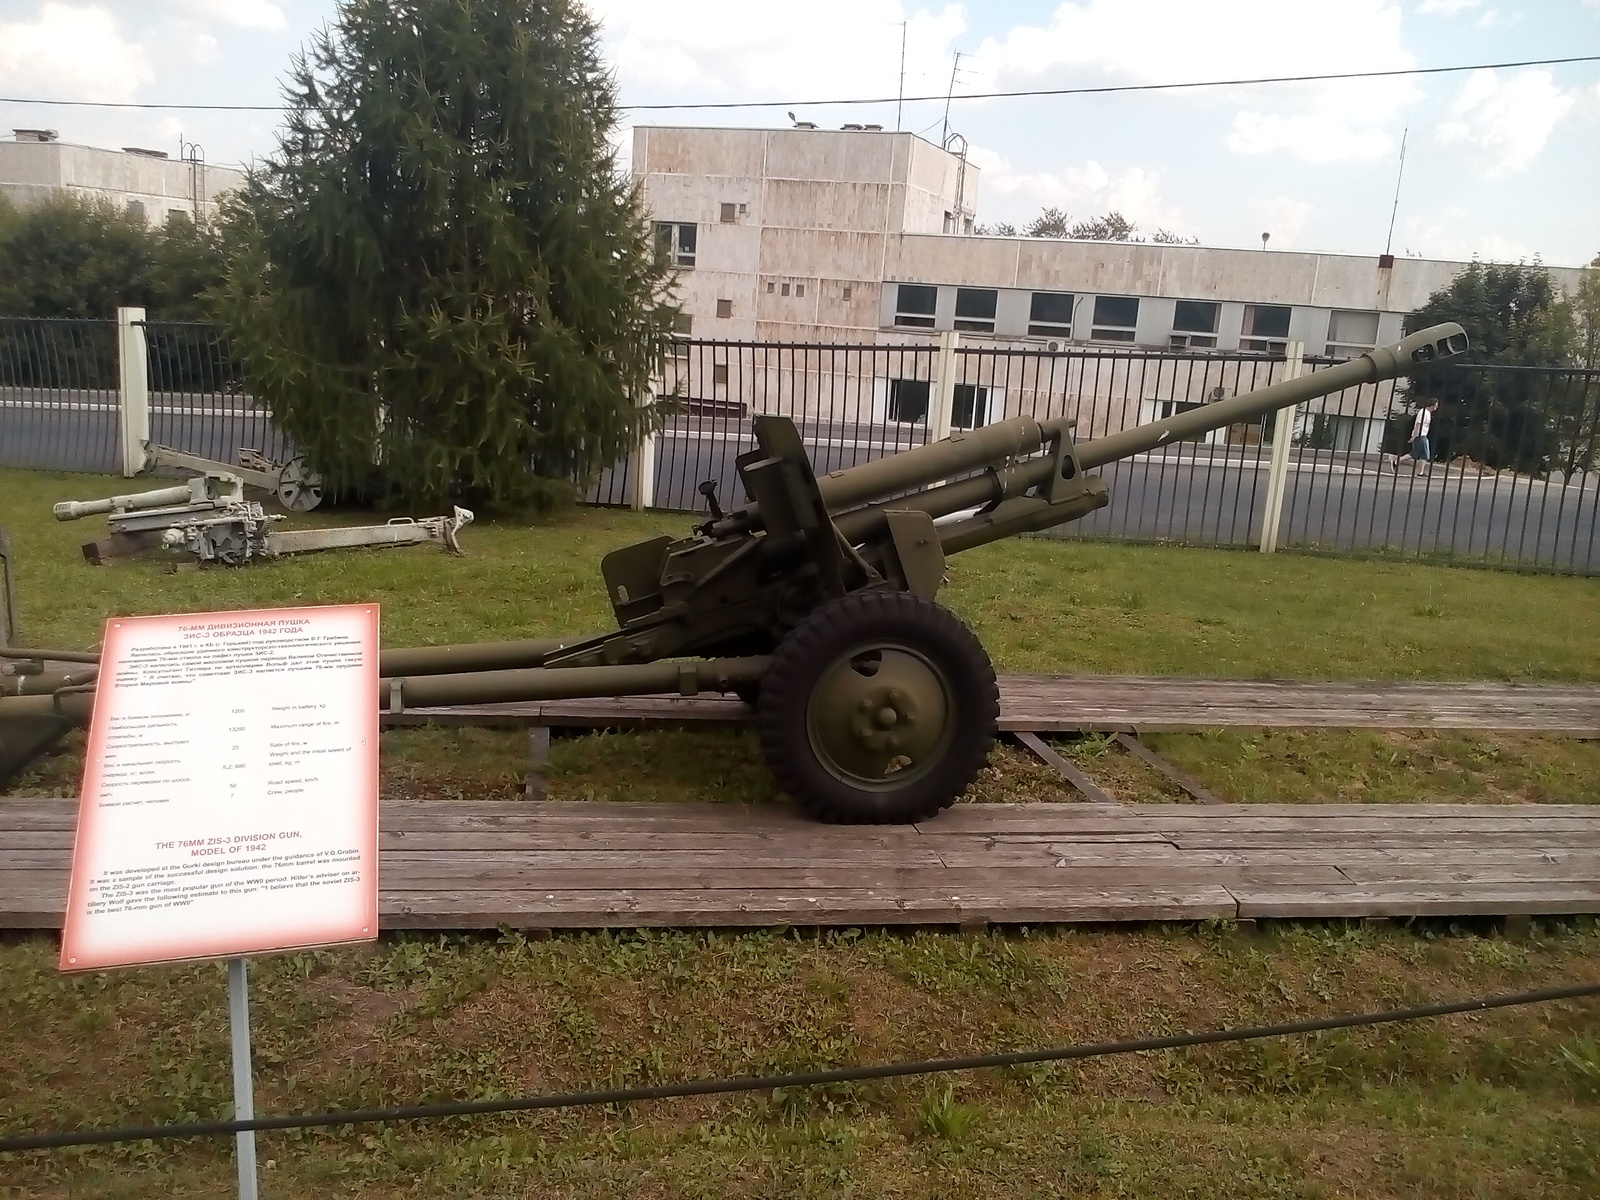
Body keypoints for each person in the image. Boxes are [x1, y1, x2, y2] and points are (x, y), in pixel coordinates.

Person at [1392, 400, 1440, 476]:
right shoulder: (1424, 413)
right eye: (1436, 406)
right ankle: (1419, 472)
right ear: (1432, 406)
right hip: (1420, 435)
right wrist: (1414, 437)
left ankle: (1397, 462)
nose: (1437, 407)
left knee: (1415, 454)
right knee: (1425, 454)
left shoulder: (1428, 413)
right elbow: (1418, 424)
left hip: (1422, 435)